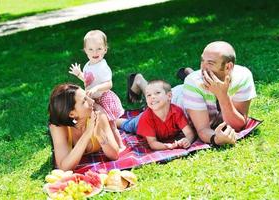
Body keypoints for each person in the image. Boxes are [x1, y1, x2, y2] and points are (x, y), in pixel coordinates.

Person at [127, 41, 256, 147]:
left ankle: (188, 72)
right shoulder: (194, 82)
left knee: (192, 82)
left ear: (228, 67)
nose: (203, 68)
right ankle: (139, 81)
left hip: (191, 91)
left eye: (210, 63)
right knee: (150, 103)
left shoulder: (243, 77)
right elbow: (202, 130)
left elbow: (239, 124)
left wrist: (222, 96)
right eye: (202, 61)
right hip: (170, 105)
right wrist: (216, 139)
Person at [68, 30, 125, 151]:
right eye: (91, 49)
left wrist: (97, 88)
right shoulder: (88, 65)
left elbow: (109, 84)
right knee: (96, 123)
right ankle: (101, 142)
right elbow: (88, 80)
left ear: (105, 49)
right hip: (93, 99)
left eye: (99, 48)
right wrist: (79, 74)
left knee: (110, 124)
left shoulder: (103, 66)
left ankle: (120, 145)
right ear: (85, 50)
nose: (95, 52)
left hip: (103, 98)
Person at [48, 83, 120, 171]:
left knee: (116, 122)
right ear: (71, 114)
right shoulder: (59, 127)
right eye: (84, 101)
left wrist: (99, 134)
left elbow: (115, 155)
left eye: (87, 96)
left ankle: (121, 122)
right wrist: (87, 133)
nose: (92, 101)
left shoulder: (98, 113)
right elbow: (64, 167)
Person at [119, 80, 195, 150]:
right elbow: (152, 143)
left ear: (169, 96)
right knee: (126, 125)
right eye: (148, 95)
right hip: (138, 123)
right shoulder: (145, 118)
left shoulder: (176, 111)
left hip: (159, 129)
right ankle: (113, 121)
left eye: (157, 93)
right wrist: (168, 146)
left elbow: (189, 133)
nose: (152, 97)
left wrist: (187, 140)